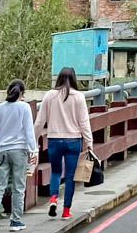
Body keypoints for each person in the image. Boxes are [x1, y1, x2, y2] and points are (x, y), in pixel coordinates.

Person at [34, 67, 94, 220]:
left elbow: (40, 121)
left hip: (54, 140)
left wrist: (33, 140)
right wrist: (89, 142)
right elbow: (84, 122)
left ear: (59, 78)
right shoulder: (79, 97)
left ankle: (53, 198)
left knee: (55, 172)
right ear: (73, 78)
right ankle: (66, 210)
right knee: (69, 176)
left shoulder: (50, 95)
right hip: (73, 140)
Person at [0, 79, 37, 233]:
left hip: (1, 150)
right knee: (18, 187)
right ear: (22, 93)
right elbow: (29, 130)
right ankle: (15, 221)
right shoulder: (24, 107)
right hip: (19, 150)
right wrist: (33, 150)